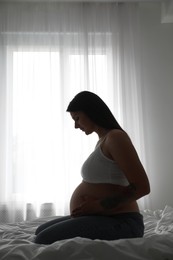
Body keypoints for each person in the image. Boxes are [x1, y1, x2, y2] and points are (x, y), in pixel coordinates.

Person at [35, 91, 150, 244]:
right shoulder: (103, 140)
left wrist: (98, 206)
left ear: (91, 112)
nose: (76, 126)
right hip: (103, 216)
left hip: (123, 222)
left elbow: (142, 187)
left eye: (77, 118)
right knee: (39, 231)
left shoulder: (116, 137)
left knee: (43, 239)